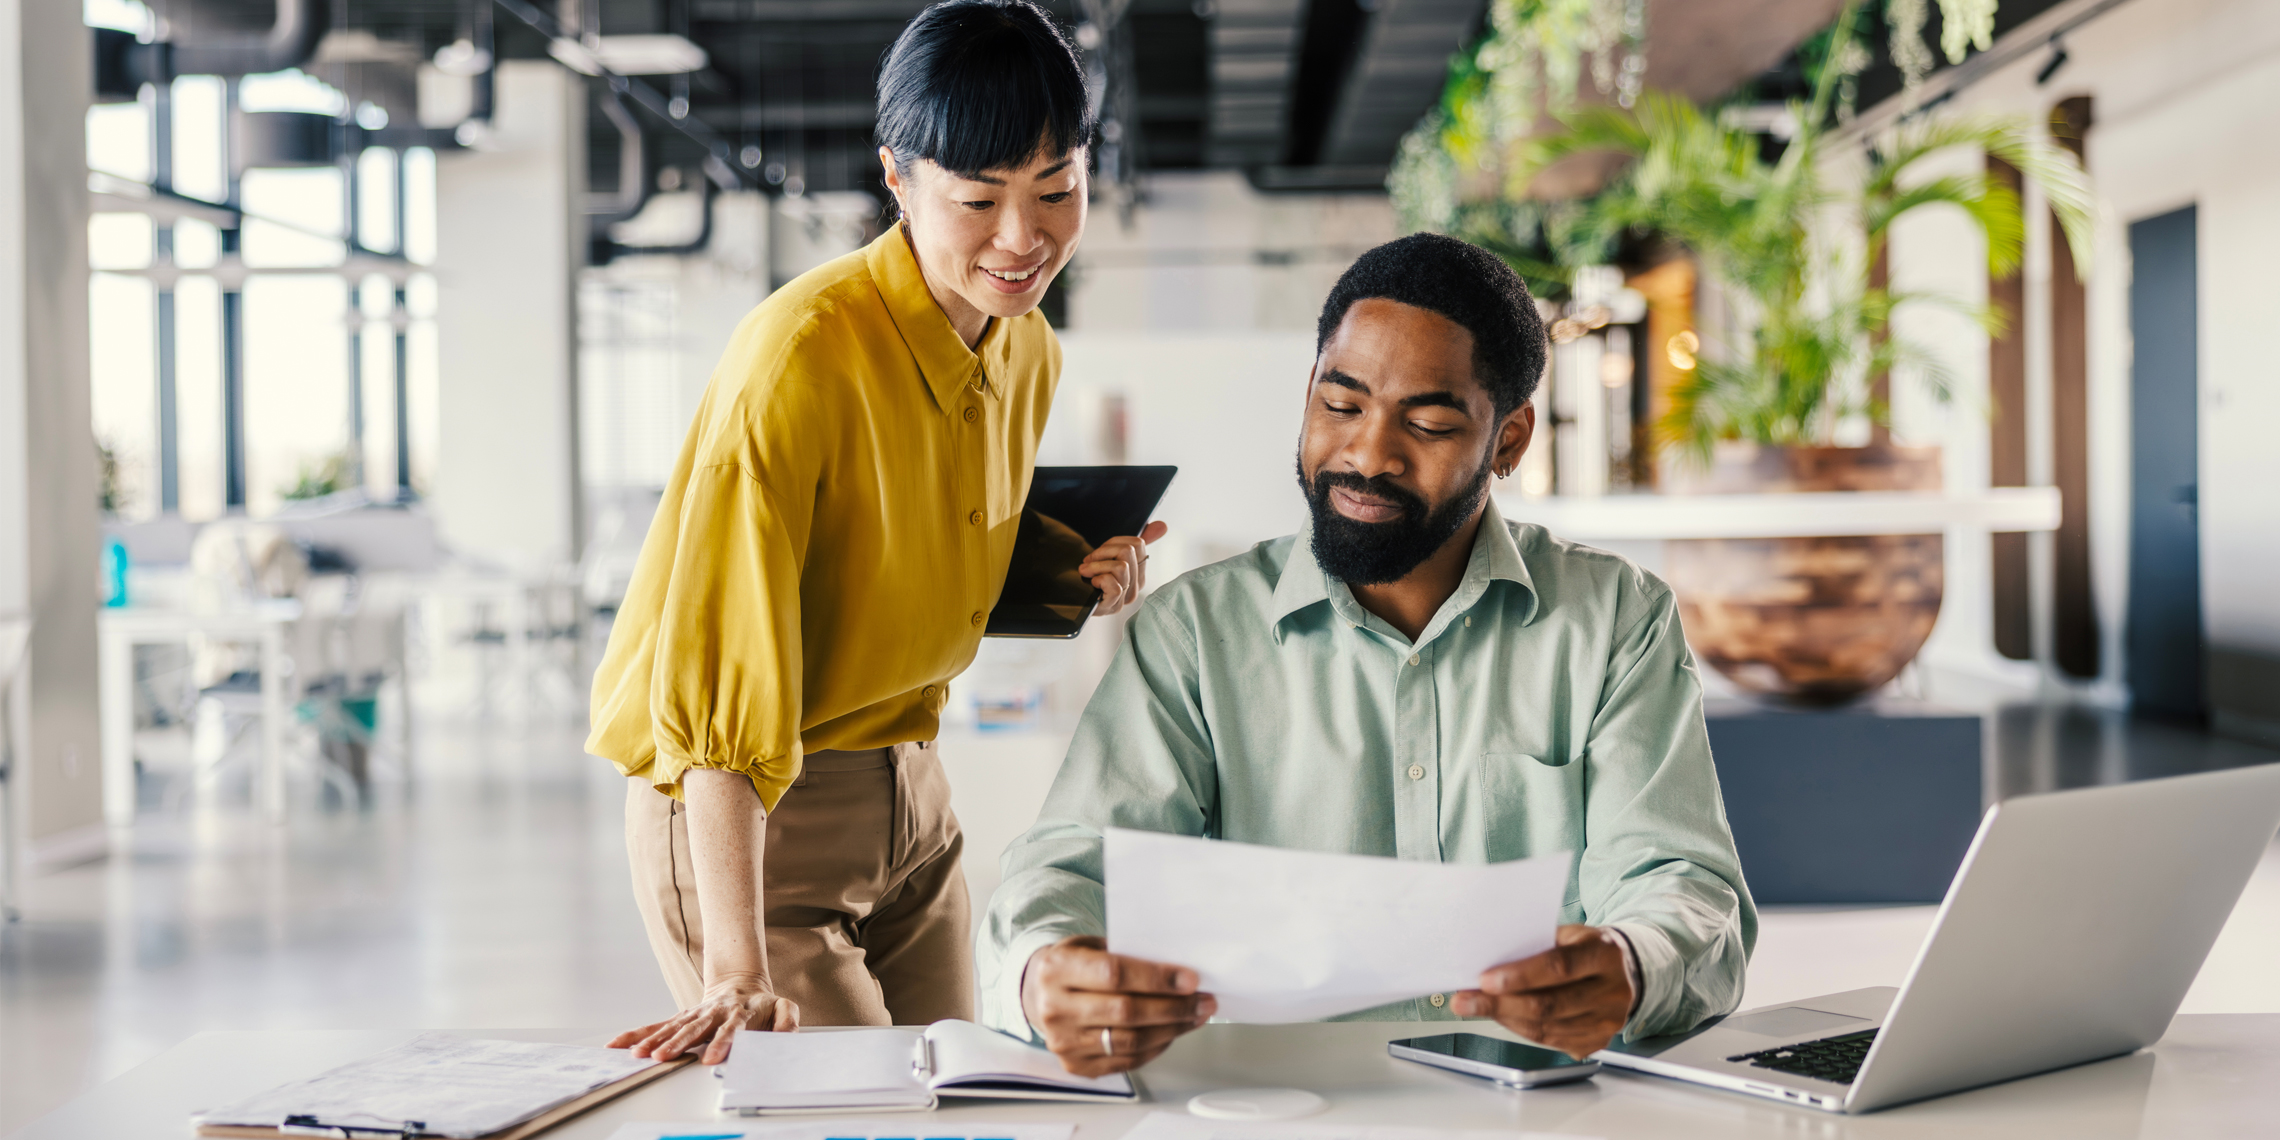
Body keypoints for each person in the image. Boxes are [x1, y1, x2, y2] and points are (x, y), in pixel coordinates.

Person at [977, 233, 1756, 1076]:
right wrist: (1042, 968)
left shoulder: (1614, 620)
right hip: (1286, 1116)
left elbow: (1681, 881)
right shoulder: (1196, 634)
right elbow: (1067, 861)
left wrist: (1635, 964)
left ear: (1510, 440)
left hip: (1538, 1119)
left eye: (1426, 422)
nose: (1367, 456)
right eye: (1340, 405)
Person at [588, 0, 1163, 1065]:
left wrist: (1064, 570)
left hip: (914, 796)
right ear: (897, 178)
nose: (1023, 238)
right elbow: (715, 679)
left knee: (955, 1097)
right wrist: (736, 966)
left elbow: (924, 543)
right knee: (852, 1119)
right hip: (754, 809)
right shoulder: (797, 358)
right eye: (979, 199)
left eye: (1058, 190)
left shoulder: (1025, 347)